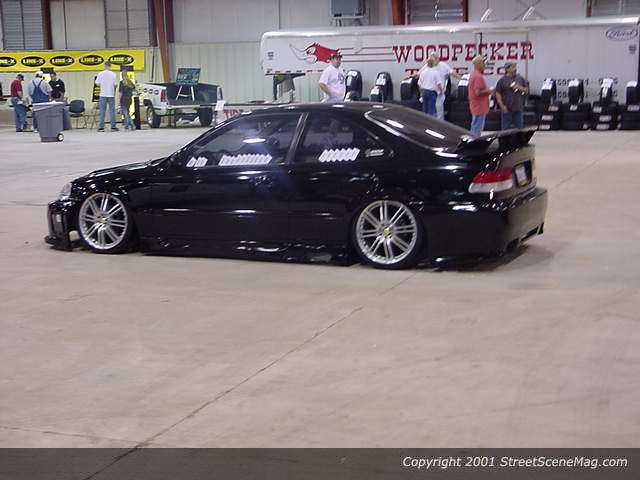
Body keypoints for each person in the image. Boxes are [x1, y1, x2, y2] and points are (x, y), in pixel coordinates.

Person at [495, 61, 529, 130]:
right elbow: (498, 93)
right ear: (507, 69)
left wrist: (519, 87)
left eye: (515, 67)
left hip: (518, 108)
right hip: (506, 109)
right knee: (505, 129)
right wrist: (501, 105)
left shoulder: (520, 79)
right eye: (513, 67)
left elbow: (526, 91)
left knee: (519, 129)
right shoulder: (502, 80)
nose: (515, 69)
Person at [468, 55, 493, 137]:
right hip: (480, 106)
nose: (485, 65)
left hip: (475, 105)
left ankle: (473, 140)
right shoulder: (478, 76)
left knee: (475, 125)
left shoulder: (473, 74)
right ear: (478, 64)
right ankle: (475, 141)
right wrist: (490, 90)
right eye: (483, 63)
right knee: (477, 127)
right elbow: (478, 92)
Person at [95, 62, 119, 131]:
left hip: (103, 94)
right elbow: (115, 85)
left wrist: (103, 86)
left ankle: (101, 127)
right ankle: (113, 127)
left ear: (104, 66)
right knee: (112, 111)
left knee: (102, 111)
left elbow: (97, 83)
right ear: (110, 66)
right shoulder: (113, 74)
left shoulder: (100, 74)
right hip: (111, 94)